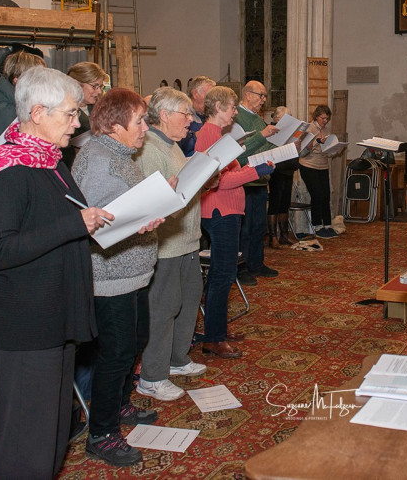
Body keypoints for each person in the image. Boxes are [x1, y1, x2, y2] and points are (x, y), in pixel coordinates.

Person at [0, 67, 110, 479]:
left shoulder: (49, 161)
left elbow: (68, 221)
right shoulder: (7, 168)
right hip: (25, 324)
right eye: (70, 113)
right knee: (27, 440)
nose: (78, 122)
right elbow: (2, 251)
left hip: (52, 314)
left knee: (52, 432)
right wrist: (76, 226)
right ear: (38, 112)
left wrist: (119, 223)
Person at [71, 88, 162, 467]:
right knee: (117, 353)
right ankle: (102, 434)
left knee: (135, 341)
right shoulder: (97, 159)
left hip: (134, 270)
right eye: (140, 120)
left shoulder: (121, 153)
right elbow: (88, 224)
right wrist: (136, 222)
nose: (146, 127)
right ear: (114, 125)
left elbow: (122, 207)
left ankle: (121, 406)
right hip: (109, 275)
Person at [136, 87, 207, 402]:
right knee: (163, 309)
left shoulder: (173, 145)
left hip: (187, 240)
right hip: (166, 244)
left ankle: (178, 359)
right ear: (163, 115)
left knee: (188, 300)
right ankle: (152, 376)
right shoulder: (150, 148)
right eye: (185, 114)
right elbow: (153, 202)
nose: (191, 121)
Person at [196, 86, 273, 359]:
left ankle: (218, 330)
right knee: (222, 275)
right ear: (217, 107)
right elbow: (217, 181)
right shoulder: (208, 134)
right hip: (219, 211)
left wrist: (253, 169)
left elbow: (231, 171)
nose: (234, 112)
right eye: (231, 108)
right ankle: (213, 339)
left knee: (224, 274)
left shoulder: (219, 134)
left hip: (228, 209)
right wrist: (256, 172)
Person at [233, 80, 280, 284]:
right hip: (244, 181)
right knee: (245, 228)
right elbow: (239, 152)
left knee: (259, 226)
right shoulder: (237, 118)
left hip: (260, 179)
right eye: (260, 95)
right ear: (247, 94)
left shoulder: (258, 119)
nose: (263, 100)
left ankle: (256, 263)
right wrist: (262, 135)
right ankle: (241, 269)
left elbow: (267, 144)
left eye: (264, 96)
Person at [298, 104, 342, 238]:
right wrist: (317, 142)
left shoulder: (327, 129)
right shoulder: (309, 129)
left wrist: (334, 151)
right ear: (316, 117)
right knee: (317, 195)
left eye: (327, 118)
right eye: (323, 118)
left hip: (323, 165)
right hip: (309, 165)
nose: (325, 121)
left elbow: (326, 152)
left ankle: (327, 225)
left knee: (325, 195)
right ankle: (317, 226)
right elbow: (302, 152)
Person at [0, 50, 46, 137]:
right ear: (17, 80)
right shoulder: (7, 110)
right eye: (36, 78)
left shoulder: (16, 105)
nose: (42, 83)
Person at [63, 61, 108, 166]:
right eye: (94, 86)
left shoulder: (100, 109)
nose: (99, 92)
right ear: (76, 84)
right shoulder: (62, 110)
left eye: (100, 87)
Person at [267, 105, 298, 247]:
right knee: (275, 203)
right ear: (278, 118)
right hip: (277, 170)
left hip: (289, 168)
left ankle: (284, 235)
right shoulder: (271, 130)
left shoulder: (289, 131)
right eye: (286, 118)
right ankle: (273, 237)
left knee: (284, 204)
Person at [176, 75, 214, 156]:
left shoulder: (204, 115)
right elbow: (178, 143)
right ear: (196, 94)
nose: (212, 101)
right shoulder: (181, 113)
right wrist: (197, 135)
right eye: (208, 96)